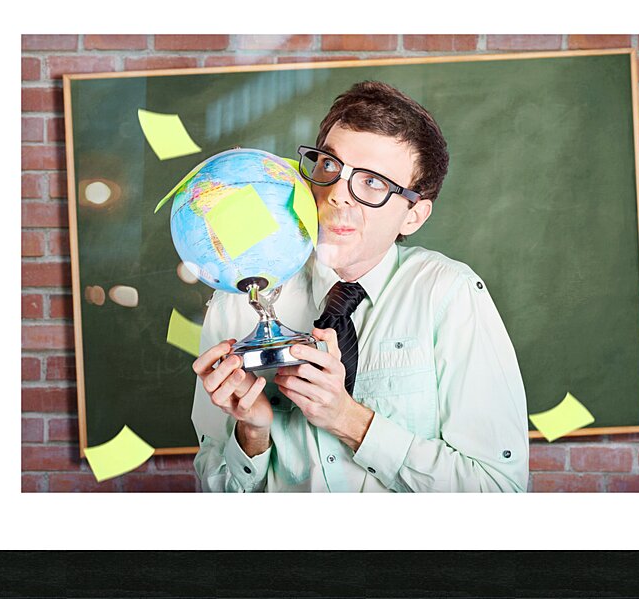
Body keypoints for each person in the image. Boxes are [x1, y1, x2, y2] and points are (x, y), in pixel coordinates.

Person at [191, 80, 529, 492]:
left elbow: (500, 491)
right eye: (330, 166)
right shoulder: (239, 299)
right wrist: (253, 434)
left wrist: (345, 418)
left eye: (372, 182)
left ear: (413, 217)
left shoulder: (449, 294)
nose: (336, 195)